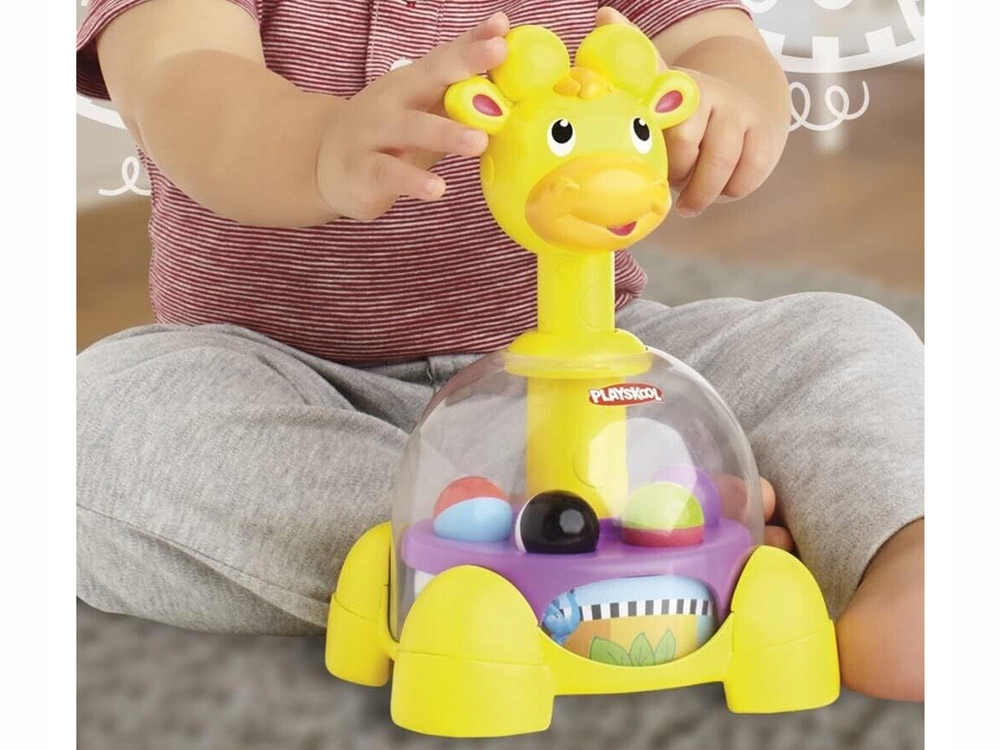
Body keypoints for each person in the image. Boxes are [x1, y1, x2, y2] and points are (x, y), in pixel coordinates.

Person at [76, 0, 924, 702]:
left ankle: (905, 552)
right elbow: (180, 79)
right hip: (283, 378)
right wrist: (322, 144)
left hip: (596, 370)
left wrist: (724, 101)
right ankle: (605, 545)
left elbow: (716, 38)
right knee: (95, 429)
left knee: (839, 339)